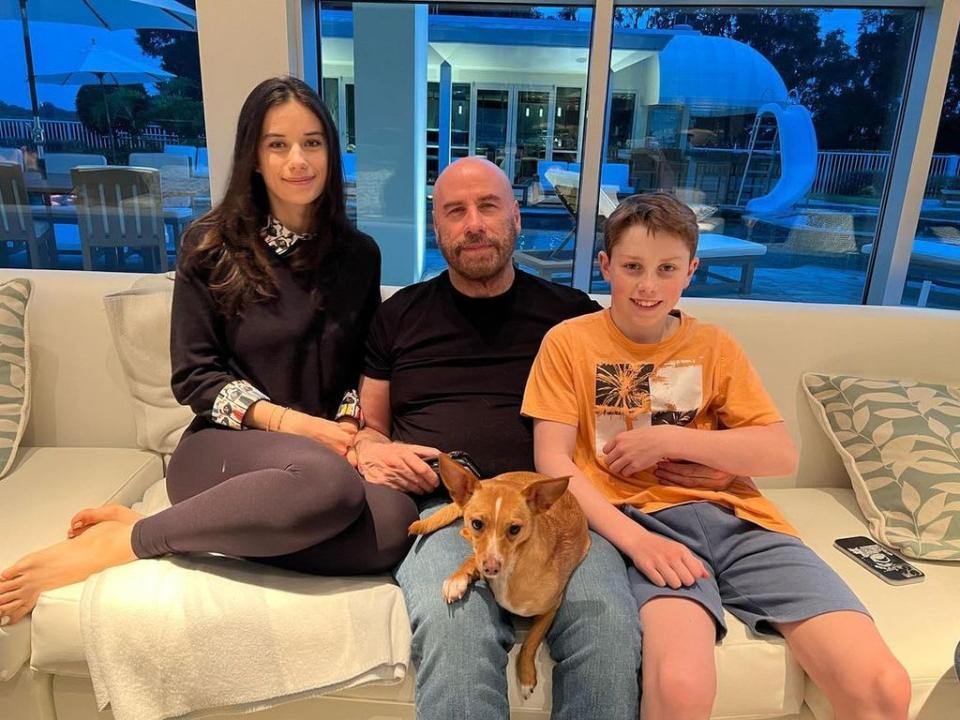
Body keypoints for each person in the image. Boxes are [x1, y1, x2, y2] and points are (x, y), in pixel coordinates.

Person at [0, 76, 418, 627]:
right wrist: (301, 427)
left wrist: (346, 429)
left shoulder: (359, 256)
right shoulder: (210, 245)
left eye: (313, 142)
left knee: (395, 526)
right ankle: (134, 538)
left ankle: (193, 529)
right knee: (329, 486)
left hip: (317, 461)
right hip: (223, 450)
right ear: (254, 157)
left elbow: (354, 370)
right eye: (278, 144)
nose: (298, 160)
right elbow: (195, 377)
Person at [522, 192, 912, 720]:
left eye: (667, 269)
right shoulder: (568, 343)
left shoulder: (714, 346)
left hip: (740, 522)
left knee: (883, 688)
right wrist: (637, 541)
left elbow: (778, 452)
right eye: (633, 267)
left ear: (691, 272)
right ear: (606, 266)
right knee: (681, 688)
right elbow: (553, 461)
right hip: (646, 524)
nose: (647, 285)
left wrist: (670, 439)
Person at [354, 156, 645, 720]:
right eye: (455, 211)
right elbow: (370, 425)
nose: (474, 224)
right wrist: (371, 449)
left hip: (556, 506)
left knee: (605, 619)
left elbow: (625, 416)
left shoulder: (573, 316)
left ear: (515, 215)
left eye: (488, 206)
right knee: (452, 623)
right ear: (436, 227)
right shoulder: (398, 316)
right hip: (451, 509)